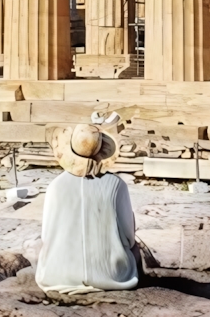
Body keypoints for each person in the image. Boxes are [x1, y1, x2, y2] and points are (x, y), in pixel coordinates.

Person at [35, 123, 138, 294]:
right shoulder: (116, 185)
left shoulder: (56, 186)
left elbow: (46, 235)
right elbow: (129, 236)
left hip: (59, 275)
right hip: (111, 275)